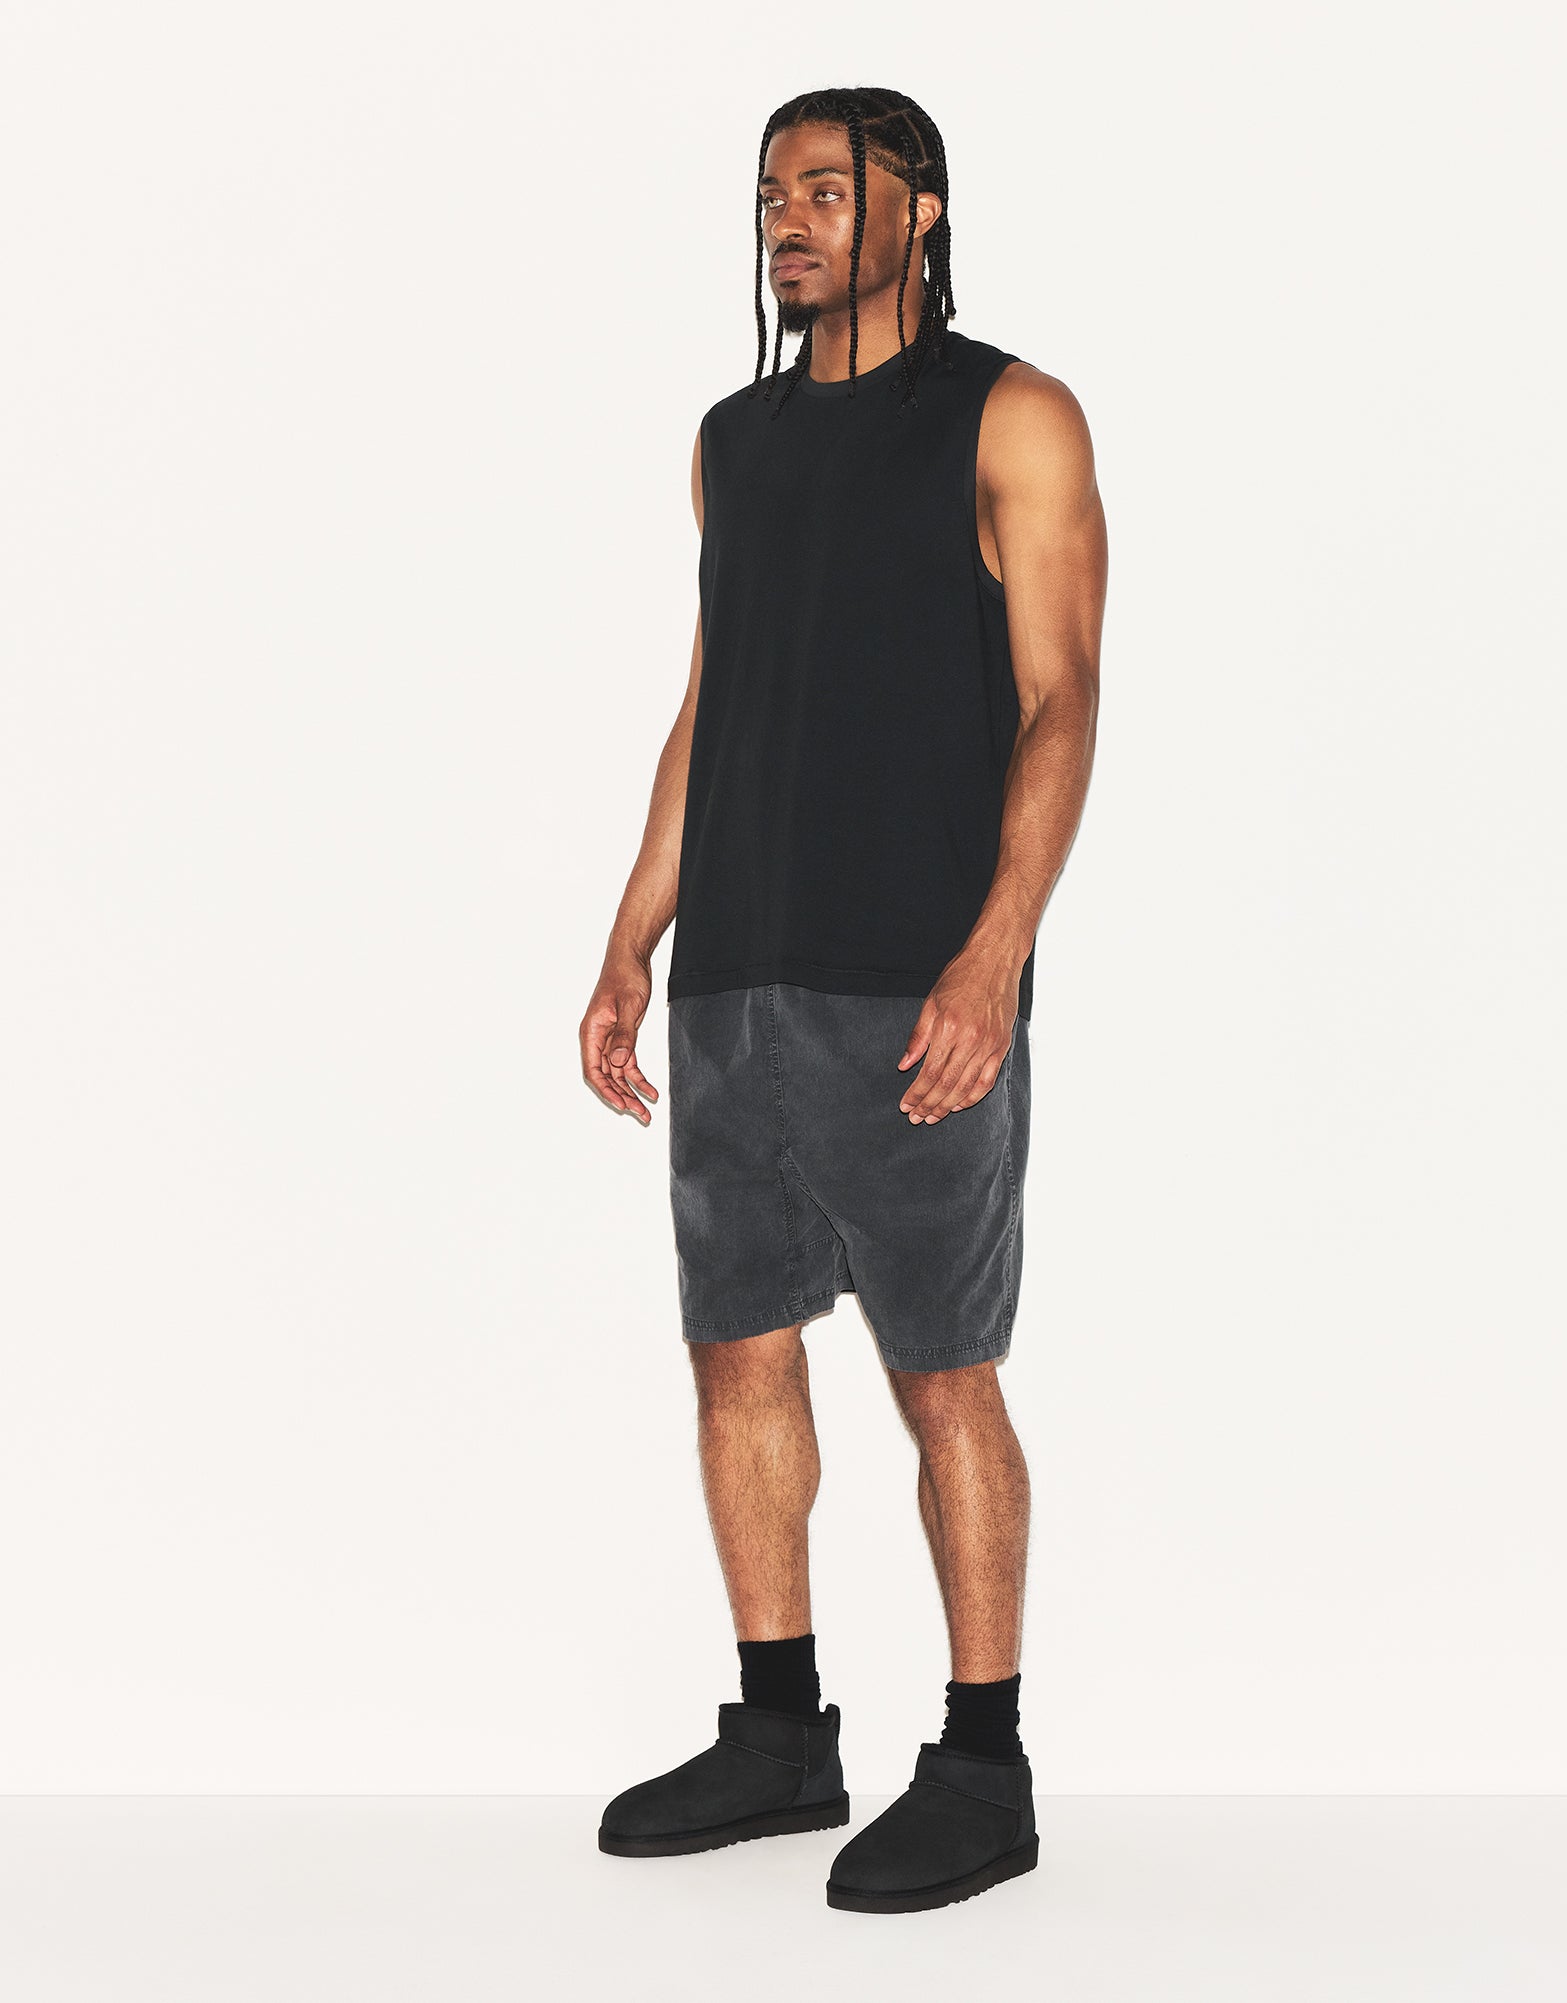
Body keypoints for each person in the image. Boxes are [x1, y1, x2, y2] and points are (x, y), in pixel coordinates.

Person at [578, 84, 1104, 1914]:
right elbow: (711, 702)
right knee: (737, 1350)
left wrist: (993, 952)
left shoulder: (1010, 415)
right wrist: (634, 935)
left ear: (920, 209)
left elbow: (1063, 698)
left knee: (943, 1374)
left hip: (915, 982)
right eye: (769, 196)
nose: (787, 222)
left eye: (825, 189)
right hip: (737, 970)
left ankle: (985, 1764)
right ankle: (781, 1735)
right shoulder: (732, 440)